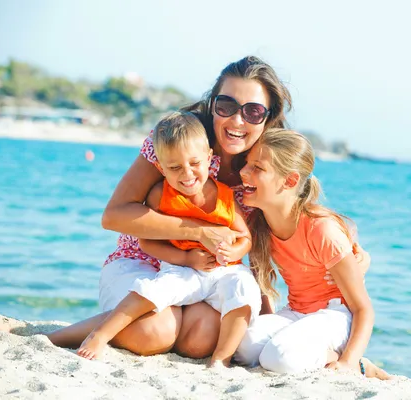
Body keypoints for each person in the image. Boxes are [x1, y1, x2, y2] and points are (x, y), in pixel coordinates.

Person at [46, 56, 371, 358]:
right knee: (153, 332)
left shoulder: (263, 168)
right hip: (144, 260)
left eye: (253, 111)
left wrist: (347, 241)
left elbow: (294, 222)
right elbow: (114, 215)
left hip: (210, 274)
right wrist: (200, 232)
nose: (237, 119)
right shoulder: (178, 142)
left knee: (201, 340)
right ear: (212, 104)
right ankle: (56, 336)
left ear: (268, 119)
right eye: (226, 105)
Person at [76, 111, 261, 366]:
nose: (187, 174)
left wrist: (236, 252)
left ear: (209, 158)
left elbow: (245, 237)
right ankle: (99, 334)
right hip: (183, 268)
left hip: (222, 271)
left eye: (195, 164)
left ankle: (221, 359)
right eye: (175, 168)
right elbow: (146, 242)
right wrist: (186, 257)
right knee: (155, 291)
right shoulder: (161, 195)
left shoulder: (225, 196)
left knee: (242, 291)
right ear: (161, 168)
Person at [233, 129, 390, 379]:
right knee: (242, 346)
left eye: (257, 168)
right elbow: (260, 285)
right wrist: (268, 331)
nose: (244, 172)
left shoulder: (322, 230)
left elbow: (363, 309)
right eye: (247, 164)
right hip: (297, 312)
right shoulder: (258, 225)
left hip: (336, 316)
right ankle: (295, 349)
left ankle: (358, 364)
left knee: (279, 358)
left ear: (290, 181)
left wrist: (349, 362)